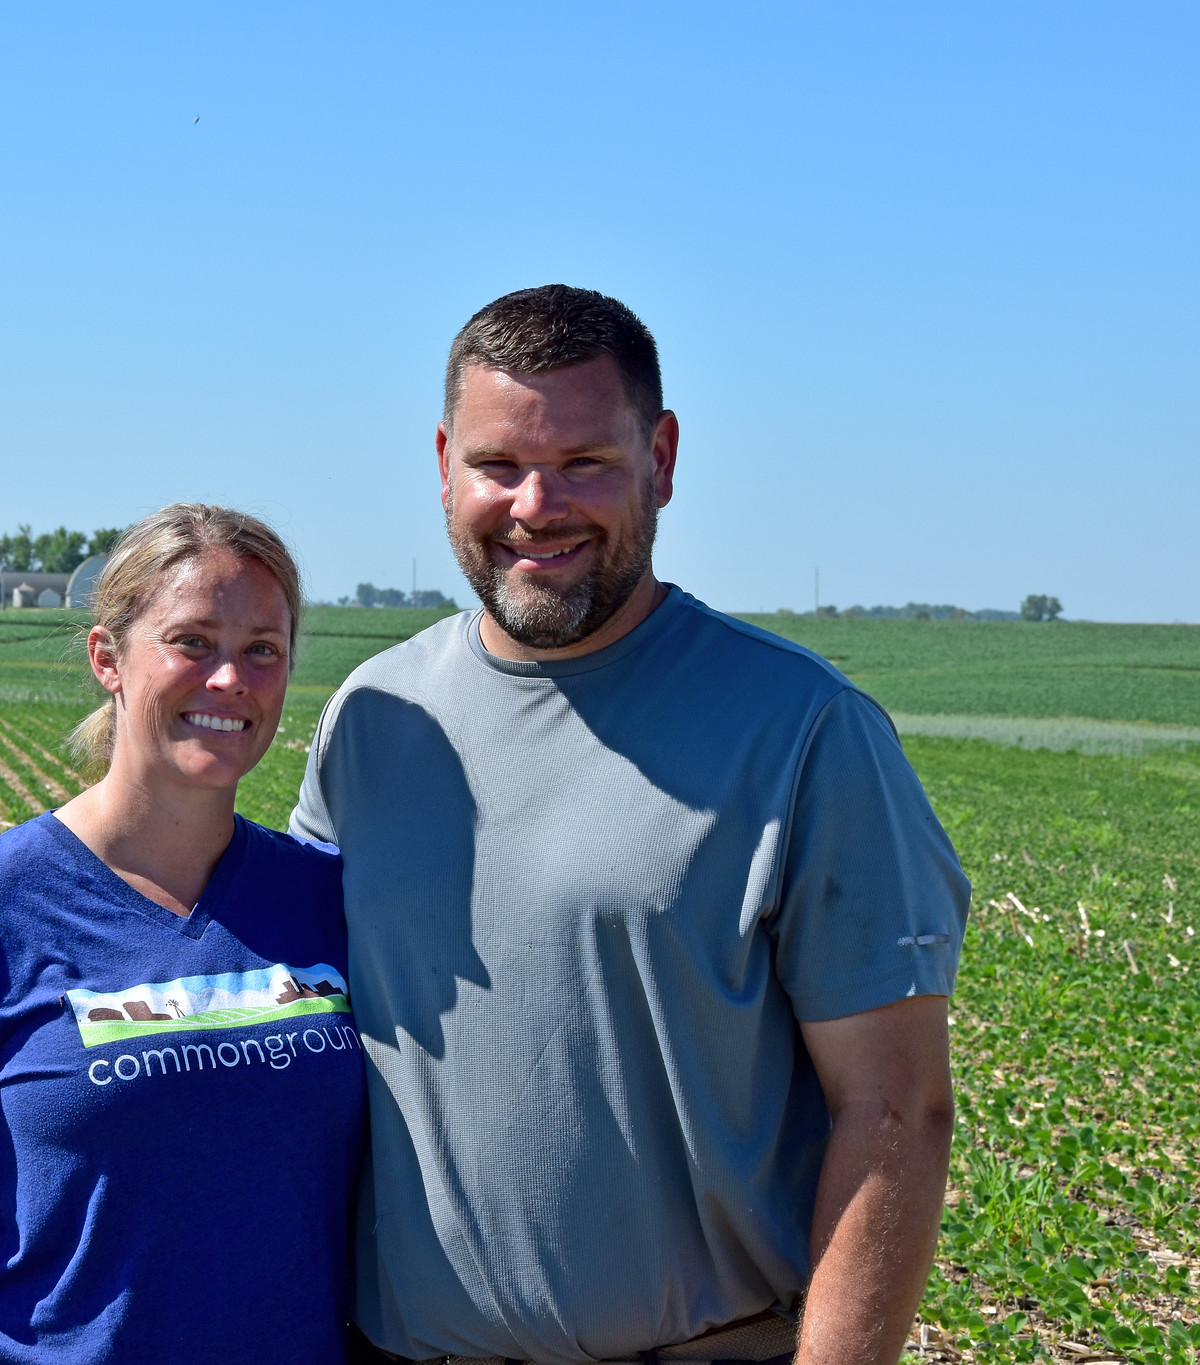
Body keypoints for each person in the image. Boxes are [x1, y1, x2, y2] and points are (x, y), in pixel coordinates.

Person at [291, 286, 968, 1365]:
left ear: (659, 457)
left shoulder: (799, 731)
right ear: (441, 464)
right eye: (498, 465)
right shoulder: (372, 720)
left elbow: (895, 1112)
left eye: (583, 465)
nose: (535, 505)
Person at [0, 504, 367, 1365]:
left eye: (261, 649)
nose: (230, 678)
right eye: (192, 641)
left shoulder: (325, 900)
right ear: (107, 659)